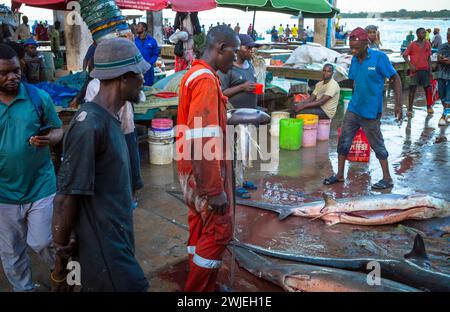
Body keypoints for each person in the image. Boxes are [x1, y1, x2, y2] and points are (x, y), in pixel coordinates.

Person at [52, 38, 150, 292]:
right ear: (124, 78)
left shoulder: (110, 119)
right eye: (140, 74)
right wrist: (61, 264)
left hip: (117, 241)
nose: (144, 81)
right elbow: (65, 199)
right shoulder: (89, 125)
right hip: (104, 252)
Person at [176, 25, 239, 292]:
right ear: (221, 48)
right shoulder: (205, 80)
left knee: (198, 229)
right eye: (232, 53)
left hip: (189, 171)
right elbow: (203, 140)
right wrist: (215, 191)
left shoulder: (194, 74)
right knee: (219, 231)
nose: (234, 60)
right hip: (202, 174)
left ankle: (204, 283)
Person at [0, 44, 63, 292]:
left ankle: (64, 274)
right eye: (4, 73)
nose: (12, 77)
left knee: (45, 241)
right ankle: (23, 288)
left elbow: (58, 129)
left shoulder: (39, 98)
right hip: (4, 194)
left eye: (16, 70)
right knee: (11, 250)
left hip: (41, 186)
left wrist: (51, 139)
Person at [323, 27, 402, 190]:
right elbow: (353, 82)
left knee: (377, 145)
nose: (353, 51)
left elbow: (396, 78)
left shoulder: (379, 57)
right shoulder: (353, 59)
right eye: (351, 47)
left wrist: (399, 105)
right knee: (343, 141)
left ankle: (387, 178)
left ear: (366, 44)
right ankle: (339, 175)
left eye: (356, 48)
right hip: (354, 109)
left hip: (371, 111)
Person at [218, 34, 259, 109]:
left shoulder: (250, 65)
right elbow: (220, 93)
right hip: (234, 115)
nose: (251, 51)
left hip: (251, 112)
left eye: (252, 48)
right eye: (248, 48)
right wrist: (242, 87)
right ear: (237, 48)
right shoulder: (227, 67)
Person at [403, 28, 432, 116]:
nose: (423, 34)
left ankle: (429, 106)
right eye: (421, 33)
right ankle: (410, 109)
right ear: (417, 34)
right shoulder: (412, 44)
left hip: (425, 70)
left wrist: (430, 71)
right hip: (415, 71)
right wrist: (411, 66)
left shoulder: (427, 44)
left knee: (427, 89)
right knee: (412, 89)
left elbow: (429, 58)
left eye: (424, 33)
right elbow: (404, 55)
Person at [437, 29, 450, 126]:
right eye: (449, 37)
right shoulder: (442, 46)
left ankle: (443, 116)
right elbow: (439, 60)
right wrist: (445, 60)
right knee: (441, 95)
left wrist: (445, 59)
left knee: (448, 96)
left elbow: (444, 59)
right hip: (441, 74)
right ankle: (447, 112)